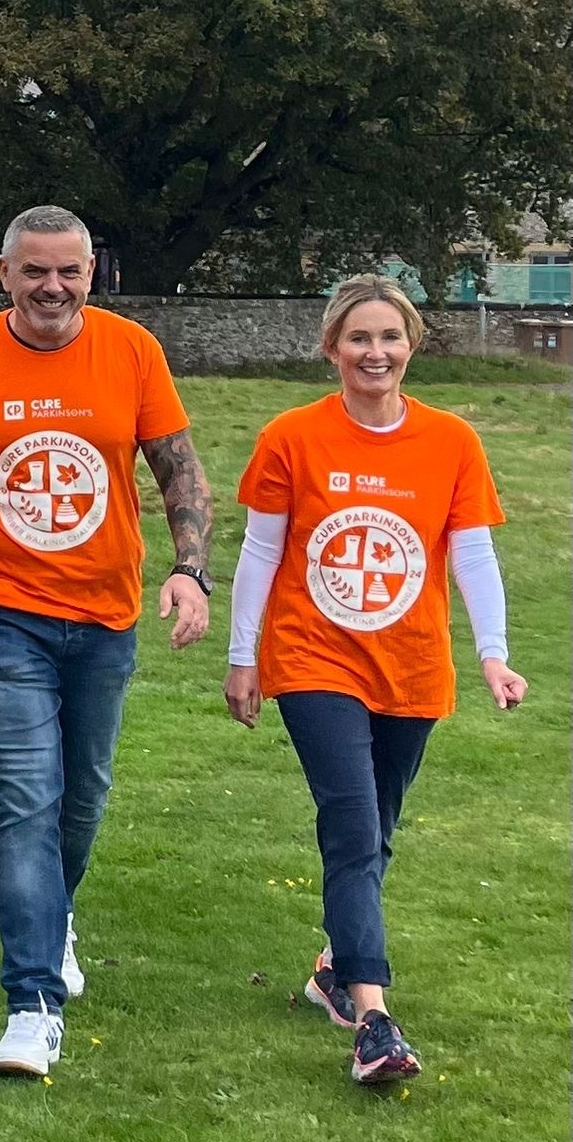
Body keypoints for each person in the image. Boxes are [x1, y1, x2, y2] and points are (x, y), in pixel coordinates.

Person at [0, 204, 213, 1079]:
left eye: (69, 271)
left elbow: (180, 468)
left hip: (105, 611)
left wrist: (191, 571)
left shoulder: (130, 351)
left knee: (83, 795)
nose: (53, 288)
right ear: (2, 273)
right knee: (27, 798)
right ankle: (32, 1003)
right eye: (35, 271)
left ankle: (55, 912)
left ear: (93, 273)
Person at [224, 275, 525, 1086]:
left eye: (390, 337)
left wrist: (493, 652)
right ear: (332, 349)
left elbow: (471, 552)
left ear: (412, 345)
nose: (376, 352)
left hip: (413, 664)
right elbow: (260, 553)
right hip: (314, 657)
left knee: (377, 828)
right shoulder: (292, 437)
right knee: (352, 824)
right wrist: (242, 656)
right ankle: (374, 1017)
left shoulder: (451, 441)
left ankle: (332, 967)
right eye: (359, 338)